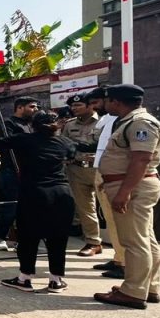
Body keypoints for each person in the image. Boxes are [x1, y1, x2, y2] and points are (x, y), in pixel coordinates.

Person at [0, 111, 76, 293]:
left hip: (34, 193)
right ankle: (56, 280)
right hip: (62, 193)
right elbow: (78, 150)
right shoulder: (65, 142)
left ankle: (24, 278)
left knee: (28, 236)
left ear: (33, 125)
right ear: (56, 126)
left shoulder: (24, 140)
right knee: (58, 238)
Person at [94, 84, 160, 310]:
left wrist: (124, 193)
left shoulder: (140, 123)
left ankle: (133, 292)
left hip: (132, 187)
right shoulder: (129, 122)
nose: (105, 105)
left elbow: (141, 160)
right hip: (133, 185)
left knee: (134, 241)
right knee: (145, 238)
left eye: (107, 100)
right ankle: (148, 287)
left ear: (117, 101)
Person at [86, 87, 125, 278]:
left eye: (96, 103)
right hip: (102, 171)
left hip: (114, 175)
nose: (94, 107)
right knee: (110, 219)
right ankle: (119, 258)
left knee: (119, 222)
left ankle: (125, 263)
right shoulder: (108, 120)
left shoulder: (122, 121)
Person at [0, 96, 39, 250]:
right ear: (20, 107)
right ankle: (0, 236)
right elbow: (7, 145)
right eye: (32, 107)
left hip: (30, 170)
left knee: (29, 207)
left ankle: (24, 239)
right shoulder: (8, 124)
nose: (35, 110)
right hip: (11, 169)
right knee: (12, 205)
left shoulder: (32, 124)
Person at [61, 93, 103, 257]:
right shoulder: (70, 124)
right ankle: (93, 242)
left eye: (78, 105)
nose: (74, 108)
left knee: (108, 207)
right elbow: (63, 144)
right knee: (85, 208)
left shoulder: (103, 123)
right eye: (72, 106)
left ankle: (120, 246)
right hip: (77, 170)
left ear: (90, 105)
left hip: (99, 170)